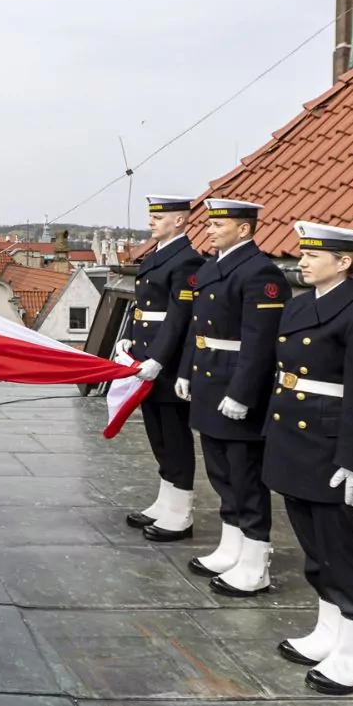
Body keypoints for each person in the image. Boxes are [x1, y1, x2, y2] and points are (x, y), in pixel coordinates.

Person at [263, 222, 353, 695]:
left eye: (314, 255)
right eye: (302, 253)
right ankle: (328, 633)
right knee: (315, 549)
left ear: (344, 262)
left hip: (334, 449)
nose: (301, 261)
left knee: (343, 551)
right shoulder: (300, 305)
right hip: (294, 443)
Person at [175, 198, 290, 596]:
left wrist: (243, 393)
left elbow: (261, 341)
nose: (209, 229)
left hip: (236, 385)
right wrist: (186, 370)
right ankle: (231, 547)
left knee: (245, 475)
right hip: (209, 381)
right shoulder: (212, 266)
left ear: (244, 229)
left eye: (218, 225)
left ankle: (256, 562)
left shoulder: (261, 273)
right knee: (221, 472)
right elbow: (197, 327)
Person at [120, 194, 205, 541]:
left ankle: (181, 511)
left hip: (166, 361)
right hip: (144, 355)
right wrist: (127, 337)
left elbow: (179, 317)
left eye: (160, 217)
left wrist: (158, 358)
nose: (152, 222)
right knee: (156, 432)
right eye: (152, 216)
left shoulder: (186, 261)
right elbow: (140, 305)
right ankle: (165, 501)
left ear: (180, 221)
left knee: (174, 435)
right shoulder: (156, 255)